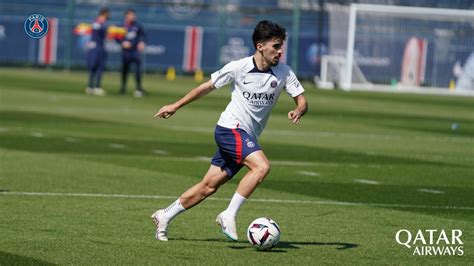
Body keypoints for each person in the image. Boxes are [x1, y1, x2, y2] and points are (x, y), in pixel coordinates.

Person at [151, 20, 308, 242]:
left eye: (281, 46)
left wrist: (299, 110)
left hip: (246, 137)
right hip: (230, 129)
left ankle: (165, 215)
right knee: (262, 167)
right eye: (275, 46)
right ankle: (229, 214)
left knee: (208, 186)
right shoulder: (238, 67)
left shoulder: (284, 72)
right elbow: (205, 87)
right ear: (260, 46)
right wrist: (175, 105)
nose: (280, 51)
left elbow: (302, 100)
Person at [119, 9, 147, 97]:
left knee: (138, 70)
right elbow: (117, 37)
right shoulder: (121, 26)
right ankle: (123, 88)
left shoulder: (138, 26)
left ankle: (138, 88)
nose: (133, 16)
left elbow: (143, 36)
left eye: (134, 15)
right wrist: (122, 43)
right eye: (131, 15)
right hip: (126, 52)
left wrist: (142, 42)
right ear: (126, 16)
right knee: (125, 70)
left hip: (135, 51)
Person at [85, 8, 110, 96]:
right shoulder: (97, 23)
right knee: (93, 66)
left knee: (100, 67)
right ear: (104, 14)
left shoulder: (104, 24)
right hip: (96, 47)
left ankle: (97, 86)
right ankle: (90, 86)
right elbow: (96, 34)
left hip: (101, 46)